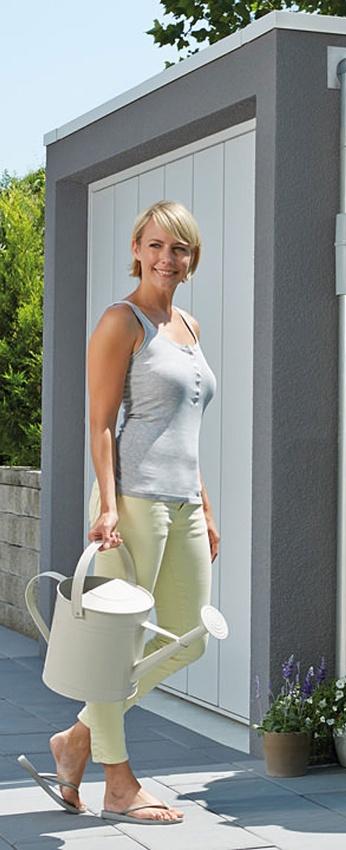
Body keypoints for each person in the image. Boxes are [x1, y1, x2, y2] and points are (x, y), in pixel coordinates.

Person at [36, 201, 218, 824]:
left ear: (192, 260)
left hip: (184, 502)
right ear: (138, 248)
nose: (169, 258)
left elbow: (185, 426)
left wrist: (207, 505)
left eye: (181, 249)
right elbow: (101, 423)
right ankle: (118, 782)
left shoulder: (189, 327)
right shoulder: (122, 321)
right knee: (117, 648)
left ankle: (77, 737)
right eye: (158, 246)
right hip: (133, 503)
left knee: (189, 636)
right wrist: (108, 504)